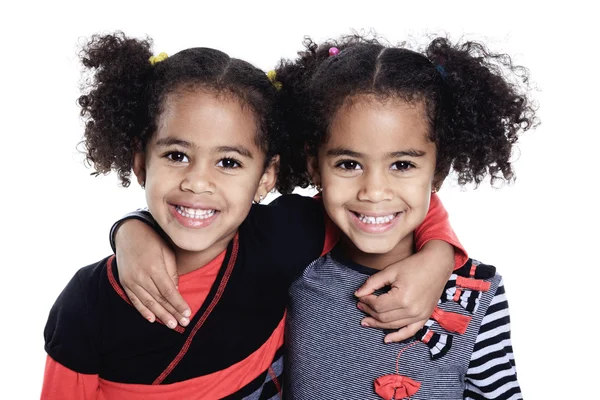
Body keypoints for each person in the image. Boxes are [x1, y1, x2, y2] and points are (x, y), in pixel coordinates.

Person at [42, 32, 465, 399]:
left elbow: (372, 205)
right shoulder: (89, 301)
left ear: (267, 176)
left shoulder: (283, 238)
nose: (198, 183)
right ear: (140, 164)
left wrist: (439, 254)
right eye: (176, 155)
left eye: (228, 162)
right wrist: (133, 228)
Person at [275, 35, 537, 399]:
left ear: (439, 170)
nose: (375, 190)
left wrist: (441, 255)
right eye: (349, 164)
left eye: (402, 164)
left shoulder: (477, 294)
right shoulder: (289, 271)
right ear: (314, 167)